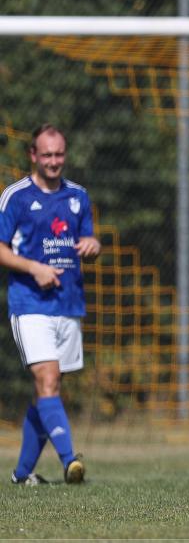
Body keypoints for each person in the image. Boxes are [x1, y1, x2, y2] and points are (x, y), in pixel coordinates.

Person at [0, 124, 101, 485]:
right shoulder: (16, 196)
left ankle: (22, 474)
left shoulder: (78, 196)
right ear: (33, 155)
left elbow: (88, 238)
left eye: (59, 154)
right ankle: (71, 460)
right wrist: (34, 268)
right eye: (47, 155)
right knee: (47, 378)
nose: (54, 161)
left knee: (48, 390)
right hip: (29, 304)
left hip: (68, 303)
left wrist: (93, 245)